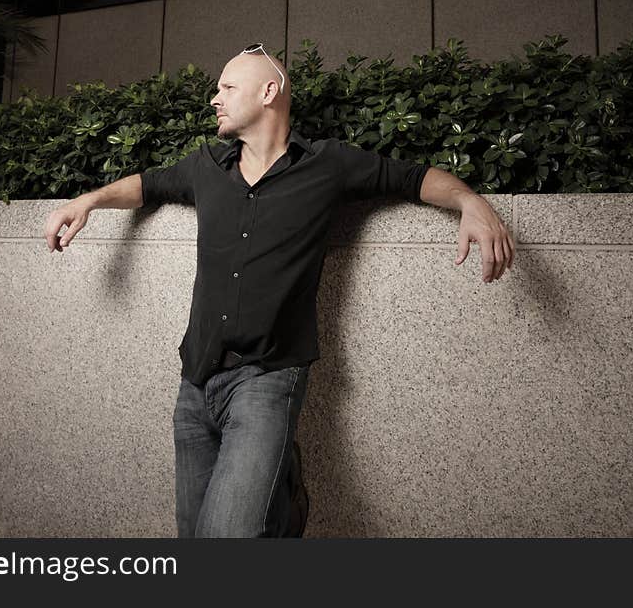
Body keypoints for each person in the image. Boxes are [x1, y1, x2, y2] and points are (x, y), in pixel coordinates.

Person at [43, 43, 515, 538]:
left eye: (227, 87)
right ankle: (282, 498)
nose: (214, 98)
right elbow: (147, 185)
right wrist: (89, 201)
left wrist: (469, 200)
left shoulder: (327, 165)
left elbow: (414, 179)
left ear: (269, 92)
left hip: (266, 382)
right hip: (194, 382)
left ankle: (281, 497)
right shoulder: (206, 166)